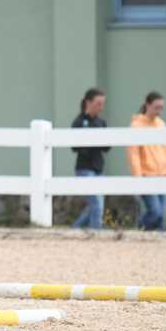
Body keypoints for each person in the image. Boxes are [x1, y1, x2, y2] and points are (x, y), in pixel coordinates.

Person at [127, 91, 166, 230]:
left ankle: (153, 240)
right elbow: (133, 154)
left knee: (161, 217)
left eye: (161, 108)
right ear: (147, 105)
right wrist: (138, 177)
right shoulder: (136, 125)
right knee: (156, 212)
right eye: (156, 107)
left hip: (163, 175)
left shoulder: (161, 124)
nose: (159, 111)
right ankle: (139, 228)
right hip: (146, 175)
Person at [71, 88, 109, 229]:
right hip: (84, 168)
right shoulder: (79, 122)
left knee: (95, 206)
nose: (101, 107)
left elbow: (107, 147)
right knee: (96, 205)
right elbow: (74, 147)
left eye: (102, 104)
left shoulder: (101, 122)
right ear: (88, 102)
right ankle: (97, 233)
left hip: (98, 168)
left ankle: (75, 229)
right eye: (98, 103)